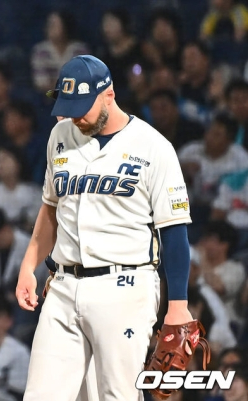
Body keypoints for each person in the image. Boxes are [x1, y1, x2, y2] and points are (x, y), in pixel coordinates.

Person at [16, 55, 195, 400]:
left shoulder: (154, 147)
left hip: (125, 286)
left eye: (82, 106)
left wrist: (178, 306)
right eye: (68, 106)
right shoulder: (60, 136)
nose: (74, 115)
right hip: (64, 285)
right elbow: (51, 208)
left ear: (109, 94)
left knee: (118, 394)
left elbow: (174, 232)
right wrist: (28, 266)